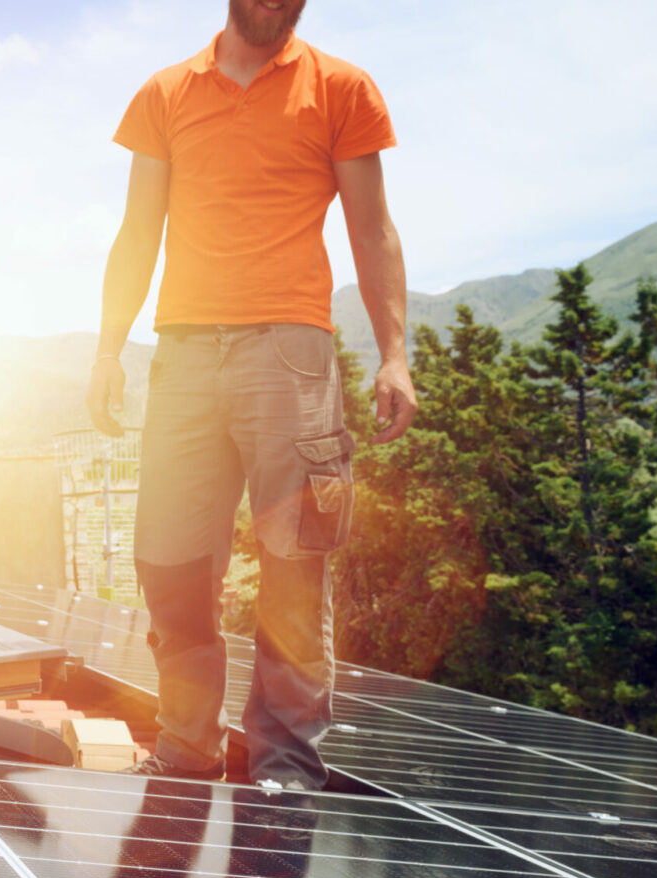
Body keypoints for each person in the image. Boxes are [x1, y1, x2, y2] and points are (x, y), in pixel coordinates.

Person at [85, 0, 418, 790]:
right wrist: (106, 348)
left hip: (291, 353)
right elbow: (138, 233)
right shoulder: (164, 94)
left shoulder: (343, 88)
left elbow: (373, 231)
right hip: (184, 356)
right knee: (170, 563)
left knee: (296, 563)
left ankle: (286, 768)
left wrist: (395, 353)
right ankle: (185, 750)